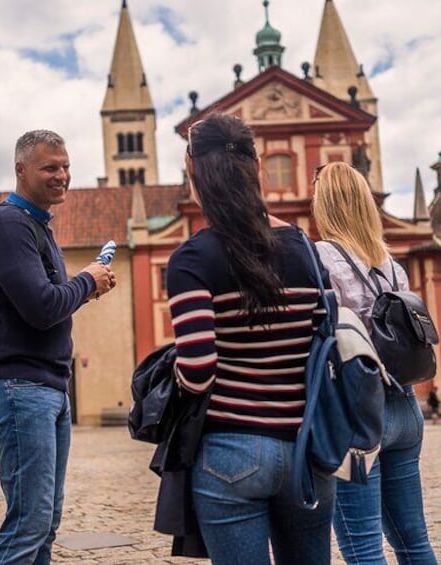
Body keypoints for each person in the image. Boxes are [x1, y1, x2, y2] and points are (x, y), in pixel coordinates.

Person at [166, 114, 335, 564]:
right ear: (256, 168)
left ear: (193, 170)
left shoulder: (191, 259)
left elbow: (199, 370)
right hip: (307, 448)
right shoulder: (305, 248)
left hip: (230, 452)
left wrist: (173, 376)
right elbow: (326, 341)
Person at [0, 130, 116, 564]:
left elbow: (51, 302)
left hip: (48, 386)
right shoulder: (7, 225)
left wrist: (84, 284)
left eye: (66, 166)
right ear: (21, 170)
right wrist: (89, 280)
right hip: (18, 386)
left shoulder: (38, 226)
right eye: (50, 167)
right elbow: (42, 307)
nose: (62, 175)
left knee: (45, 522)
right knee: (28, 523)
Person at [312, 161, 437, 565]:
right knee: (414, 541)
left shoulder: (320, 259)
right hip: (406, 408)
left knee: (363, 547)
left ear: (324, 205)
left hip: (358, 417)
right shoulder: (391, 265)